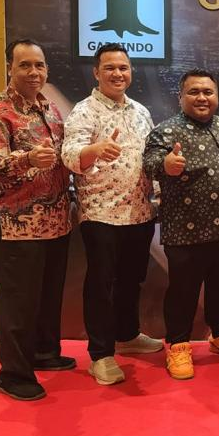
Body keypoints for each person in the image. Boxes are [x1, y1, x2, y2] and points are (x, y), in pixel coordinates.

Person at [0, 39, 72, 401]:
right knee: (18, 302)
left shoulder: (50, 109)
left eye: (39, 65)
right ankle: (13, 374)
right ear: (9, 69)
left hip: (55, 220)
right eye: (25, 65)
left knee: (47, 294)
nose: (33, 72)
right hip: (13, 224)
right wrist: (27, 159)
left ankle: (44, 352)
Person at [61, 43, 162, 387]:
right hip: (101, 213)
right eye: (110, 68)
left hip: (139, 211)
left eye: (123, 68)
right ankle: (101, 355)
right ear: (96, 73)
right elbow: (70, 155)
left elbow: (151, 156)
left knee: (132, 279)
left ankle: (127, 334)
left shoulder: (140, 111)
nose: (118, 74)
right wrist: (94, 150)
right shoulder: (84, 111)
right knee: (101, 285)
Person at [143, 69, 219, 380]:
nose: (202, 97)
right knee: (183, 292)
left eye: (208, 92)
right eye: (194, 92)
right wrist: (166, 165)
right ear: (180, 96)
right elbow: (149, 163)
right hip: (186, 231)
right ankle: (178, 345)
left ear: (216, 96)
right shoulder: (166, 131)